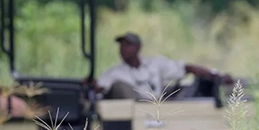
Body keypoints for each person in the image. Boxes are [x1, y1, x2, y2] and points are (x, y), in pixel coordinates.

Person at [92, 32, 235, 101]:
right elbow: (100, 88)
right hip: (136, 113)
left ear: (138, 47)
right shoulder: (114, 73)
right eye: (121, 45)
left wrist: (216, 75)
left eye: (127, 45)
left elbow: (186, 68)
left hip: (160, 109)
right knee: (119, 86)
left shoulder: (155, 64)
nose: (123, 49)